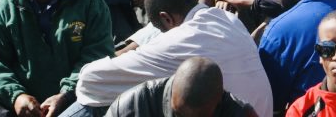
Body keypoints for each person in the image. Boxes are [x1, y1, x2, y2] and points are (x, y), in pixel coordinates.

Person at [64, 0, 273, 117]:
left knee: (90, 105)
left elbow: (90, 81)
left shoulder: (178, 41)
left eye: (160, 28)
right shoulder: (227, 19)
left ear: (166, 18)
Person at [106, 57, 258, 117]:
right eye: (178, 115)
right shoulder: (130, 107)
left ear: (219, 100)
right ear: (172, 90)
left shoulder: (240, 114)